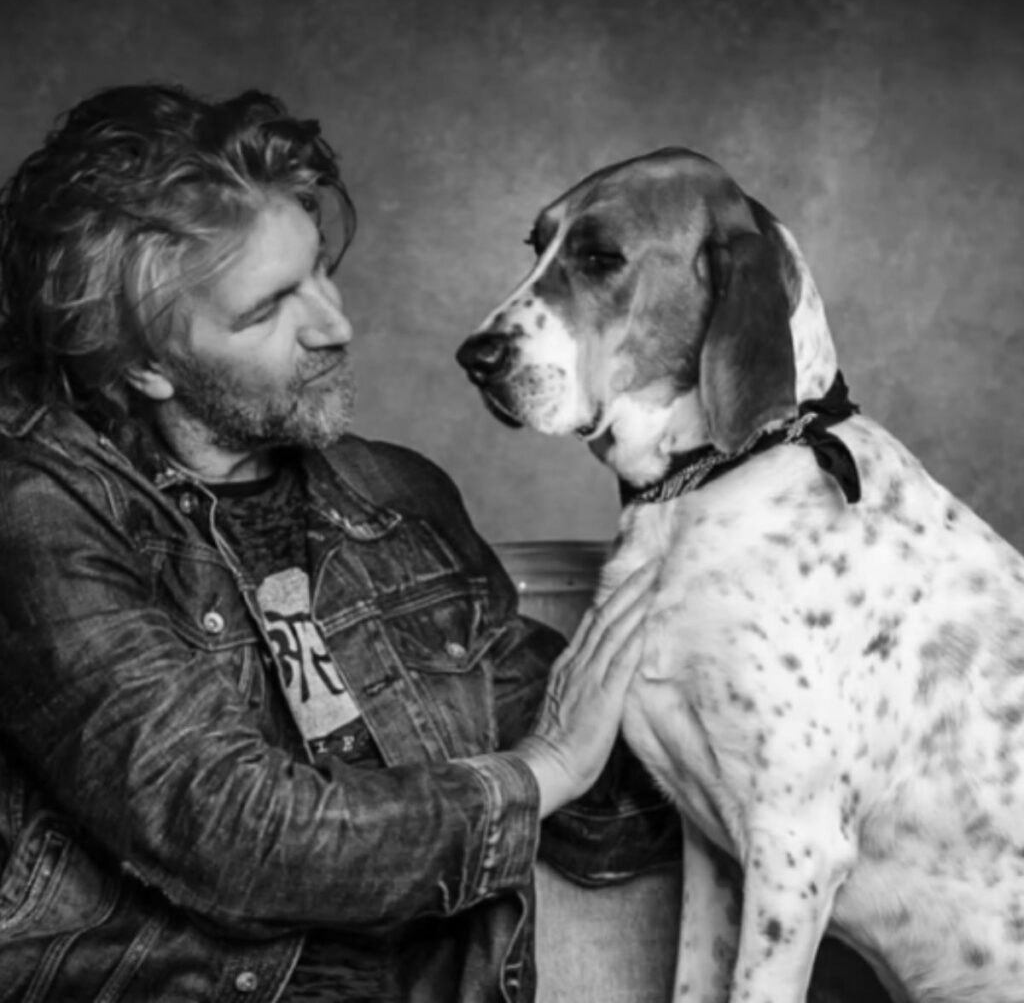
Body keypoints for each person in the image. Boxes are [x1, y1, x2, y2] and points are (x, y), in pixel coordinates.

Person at [0, 83, 679, 1002]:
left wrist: (731, 606)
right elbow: (235, 834)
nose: (334, 325)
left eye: (319, 270)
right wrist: (542, 771)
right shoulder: (40, 516)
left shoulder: (397, 497)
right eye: (267, 309)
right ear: (144, 364)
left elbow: (610, 820)